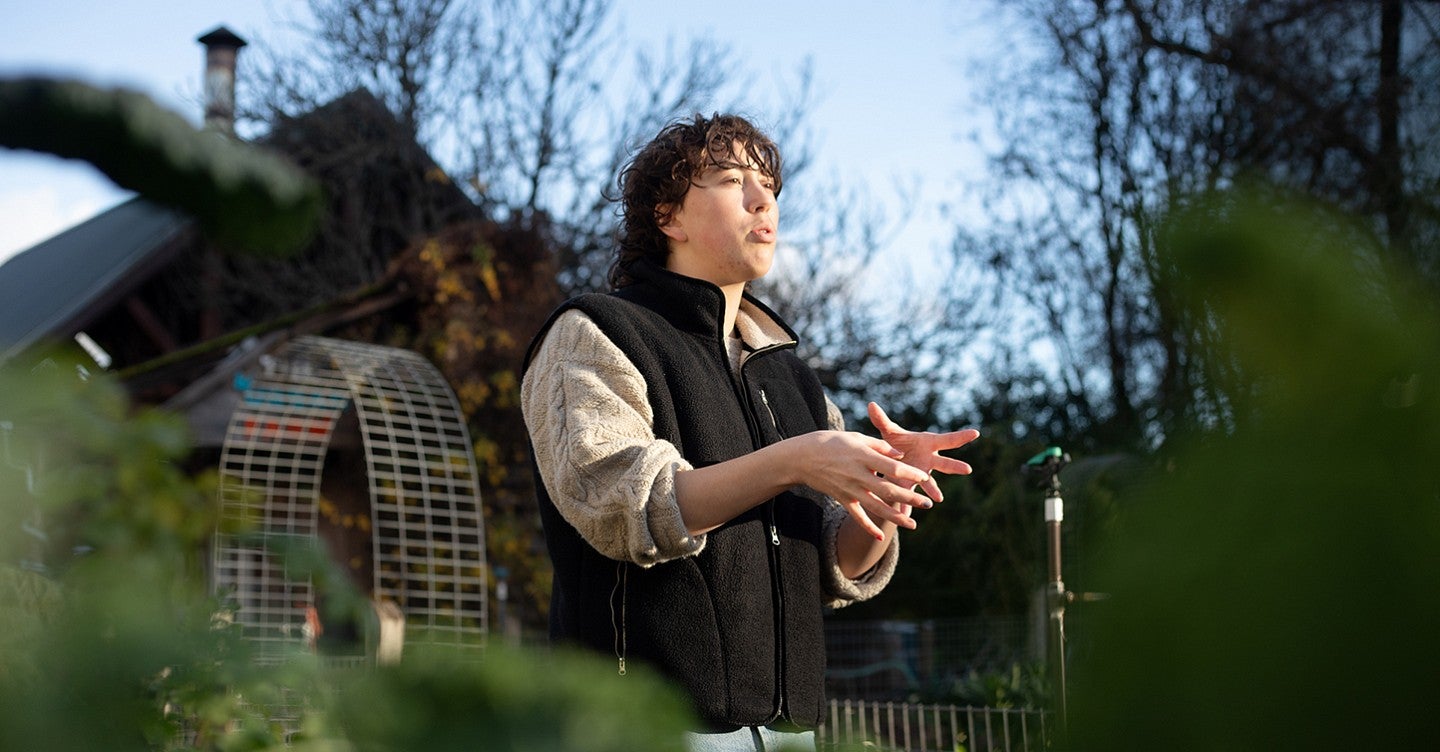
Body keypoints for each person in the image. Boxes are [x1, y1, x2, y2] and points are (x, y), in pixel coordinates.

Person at [520, 113, 979, 751]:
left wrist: (879, 497)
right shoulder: (596, 334)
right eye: (733, 180)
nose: (763, 199)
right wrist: (795, 461)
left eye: (770, 186)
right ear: (668, 216)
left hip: (790, 734)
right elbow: (624, 508)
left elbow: (828, 567)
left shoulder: (793, 378)